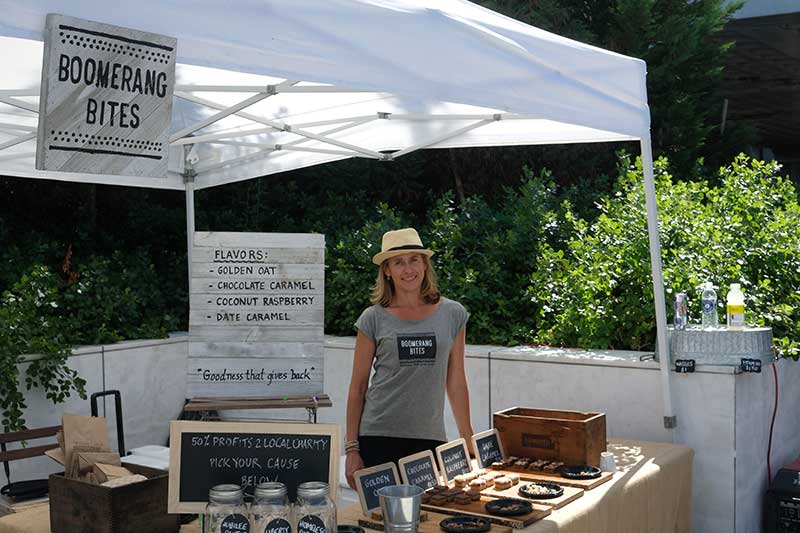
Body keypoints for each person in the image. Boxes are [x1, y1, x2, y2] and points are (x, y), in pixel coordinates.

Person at [344, 228, 474, 489]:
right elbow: (358, 387)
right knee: (380, 520)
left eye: (414, 259)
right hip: (377, 436)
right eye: (398, 262)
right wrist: (352, 449)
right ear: (387, 271)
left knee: (429, 518)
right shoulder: (372, 318)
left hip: (429, 438)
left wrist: (468, 440)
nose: (408, 269)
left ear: (425, 265)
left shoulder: (453, 314)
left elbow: (456, 380)